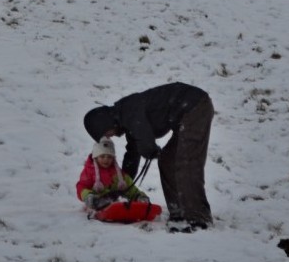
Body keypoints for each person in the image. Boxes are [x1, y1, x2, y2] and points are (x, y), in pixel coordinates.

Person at [83, 82, 214, 230]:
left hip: (194, 105)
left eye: (106, 133)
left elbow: (144, 140)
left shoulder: (128, 111)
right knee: (167, 161)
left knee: (186, 163)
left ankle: (198, 217)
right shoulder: (127, 121)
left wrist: (150, 150)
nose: (110, 136)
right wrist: (123, 185)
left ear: (105, 123)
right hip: (184, 114)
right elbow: (133, 154)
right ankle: (178, 211)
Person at [75, 137, 149, 212]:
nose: (106, 159)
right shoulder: (89, 172)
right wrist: (87, 196)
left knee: (125, 192)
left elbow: (131, 188)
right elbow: (81, 186)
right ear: (96, 157)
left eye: (109, 157)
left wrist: (139, 196)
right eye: (102, 156)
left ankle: (131, 204)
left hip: (117, 202)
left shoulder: (119, 174)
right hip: (98, 203)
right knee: (98, 199)